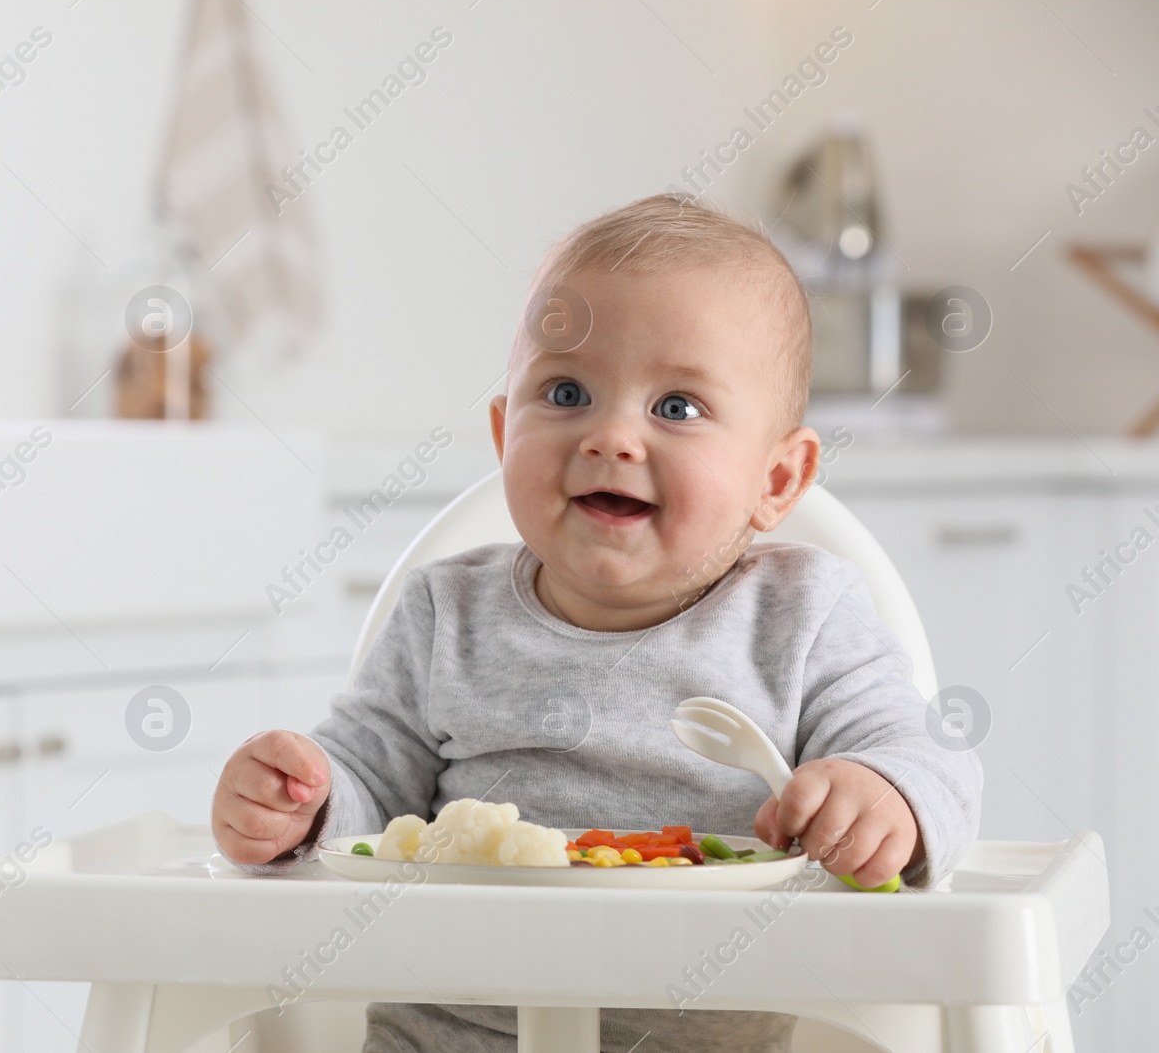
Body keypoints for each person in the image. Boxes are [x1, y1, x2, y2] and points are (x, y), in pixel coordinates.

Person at [210, 193, 984, 1051]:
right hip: (447, 1035)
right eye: (567, 391)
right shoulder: (446, 614)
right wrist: (304, 803)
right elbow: (367, 790)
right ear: (505, 434)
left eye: (678, 407)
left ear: (777, 479)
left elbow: (929, 755)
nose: (612, 435)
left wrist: (884, 795)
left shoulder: (802, 616)